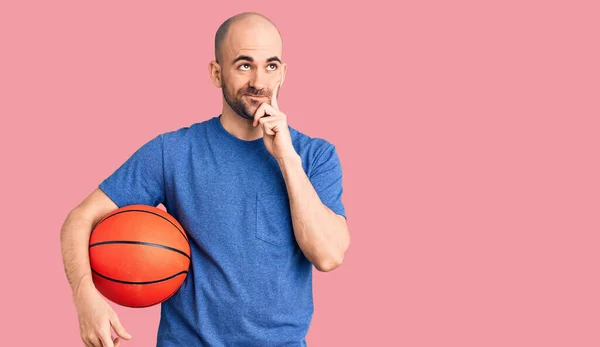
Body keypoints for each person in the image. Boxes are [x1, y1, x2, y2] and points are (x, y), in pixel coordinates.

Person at [60, 11, 350, 347]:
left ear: (283, 73)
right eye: (244, 65)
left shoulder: (316, 156)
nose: (259, 80)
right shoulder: (173, 152)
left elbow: (328, 255)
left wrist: (286, 158)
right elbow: (79, 219)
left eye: (270, 66)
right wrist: (85, 297)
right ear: (216, 73)